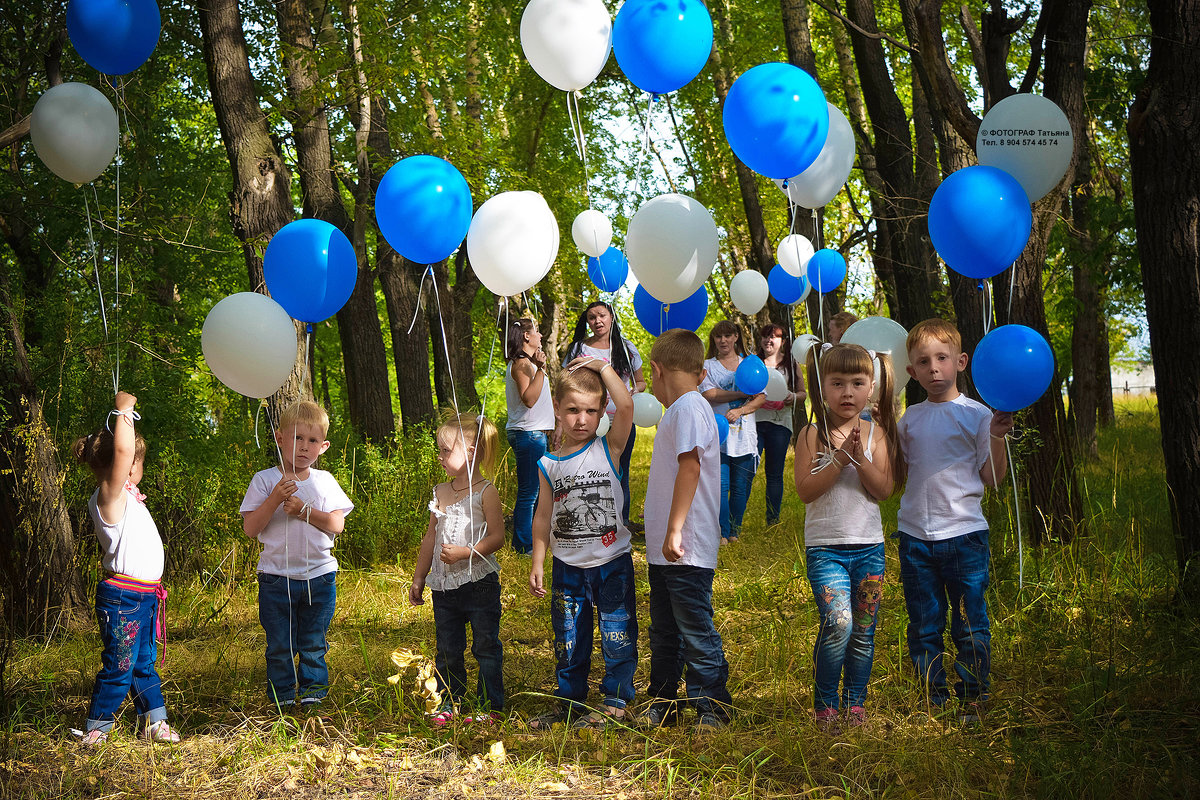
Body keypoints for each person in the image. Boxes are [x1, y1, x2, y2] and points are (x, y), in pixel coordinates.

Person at [897, 319, 1013, 720]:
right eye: (923, 362)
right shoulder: (909, 419)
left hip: (965, 536)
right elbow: (898, 473)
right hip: (914, 537)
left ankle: (974, 696)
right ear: (911, 371)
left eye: (942, 358)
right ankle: (933, 696)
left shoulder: (978, 415)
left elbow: (992, 478)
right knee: (925, 623)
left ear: (961, 361)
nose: (934, 368)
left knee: (969, 622)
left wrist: (997, 436)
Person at [794, 344, 903, 732]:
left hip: (869, 549)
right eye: (837, 383)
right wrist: (839, 460)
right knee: (838, 622)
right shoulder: (811, 434)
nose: (847, 392)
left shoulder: (877, 434)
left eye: (857, 383)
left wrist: (860, 460)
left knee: (863, 630)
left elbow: (884, 490)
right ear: (822, 388)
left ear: (871, 388)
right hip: (826, 550)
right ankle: (825, 706)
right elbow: (805, 490)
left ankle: (855, 705)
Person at [527, 357, 637, 729]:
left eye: (591, 411)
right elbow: (542, 516)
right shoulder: (548, 463)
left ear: (601, 411)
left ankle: (616, 701)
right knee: (568, 637)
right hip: (567, 567)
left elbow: (626, 405)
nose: (581, 419)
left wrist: (603, 367)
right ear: (557, 409)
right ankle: (569, 700)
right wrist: (537, 561)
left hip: (612, 563)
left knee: (616, 631)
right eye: (572, 410)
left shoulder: (610, 449)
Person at [73, 391, 180, 744]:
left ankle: (154, 721)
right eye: (136, 459)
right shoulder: (110, 495)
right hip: (123, 597)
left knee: (143, 663)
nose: (137, 464)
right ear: (128, 464)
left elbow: (123, 452)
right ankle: (97, 728)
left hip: (145, 596)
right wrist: (124, 411)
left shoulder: (129, 496)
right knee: (119, 665)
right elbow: (122, 451)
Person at [639, 329, 732, 731]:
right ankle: (663, 700)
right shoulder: (682, 408)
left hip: (686, 547)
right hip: (667, 550)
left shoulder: (690, 408)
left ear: (657, 371)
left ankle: (713, 705)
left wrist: (675, 528)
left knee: (694, 626)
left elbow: (690, 466)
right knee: (665, 629)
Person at [242, 400, 353, 709]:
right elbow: (251, 528)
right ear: (280, 438)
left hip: (319, 576)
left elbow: (337, 523)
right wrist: (275, 498)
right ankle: (283, 698)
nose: (304, 447)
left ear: (324, 446)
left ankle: (314, 694)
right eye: (297, 438)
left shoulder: (324, 481)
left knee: (313, 642)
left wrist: (305, 511)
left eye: (312, 440)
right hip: (276, 578)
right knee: (279, 644)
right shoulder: (265, 480)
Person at [410, 413, 506, 723]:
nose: (439, 456)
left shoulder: (485, 492)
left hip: (479, 583)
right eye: (438, 449)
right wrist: (419, 576)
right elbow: (430, 537)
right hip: (444, 586)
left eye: (445, 450)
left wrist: (467, 552)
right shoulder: (441, 491)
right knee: (448, 649)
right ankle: (450, 701)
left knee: (485, 645)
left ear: (471, 451)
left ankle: (490, 705)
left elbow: (497, 537)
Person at [563, 301, 647, 532]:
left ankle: (621, 521)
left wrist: (633, 391)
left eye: (601, 315)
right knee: (587, 469)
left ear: (611, 317)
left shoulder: (626, 347)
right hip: (588, 420)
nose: (597, 321)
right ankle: (588, 521)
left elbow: (641, 381)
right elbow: (566, 381)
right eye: (591, 317)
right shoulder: (579, 348)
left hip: (620, 420)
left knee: (620, 470)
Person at [700, 320, 765, 543]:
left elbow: (761, 396)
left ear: (736, 337)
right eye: (718, 337)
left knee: (739, 488)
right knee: (720, 486)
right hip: (718, 436)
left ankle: (735, 531)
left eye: (728, 336)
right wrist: (740, 395)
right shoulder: (708, 365)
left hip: (745, 437)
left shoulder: (749, 364)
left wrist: (741, 410)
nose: (723, 340)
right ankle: (722, 532)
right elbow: (709, 394)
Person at [504, 317, 555, 555]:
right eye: (536, 331)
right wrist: (542, 369)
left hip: (531, 434)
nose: (540, 336)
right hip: (528, 434)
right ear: (526, 336)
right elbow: (529, 399)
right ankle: (523, 546)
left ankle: (533, 540)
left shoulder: (526, 363)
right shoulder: (523, 364)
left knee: (535, 490)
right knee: (529, 492)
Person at [755, 324, 806, 526]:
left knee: (774, 473)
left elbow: (803, 393)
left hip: (780, 424)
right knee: (748, 469)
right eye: (765, 337)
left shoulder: (791, 365)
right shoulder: (754, 363)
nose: (769, 340)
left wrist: (792, 397)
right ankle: (734, 520)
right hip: (755, 422)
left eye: (774, 337)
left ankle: (772, 519)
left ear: (782, 341)